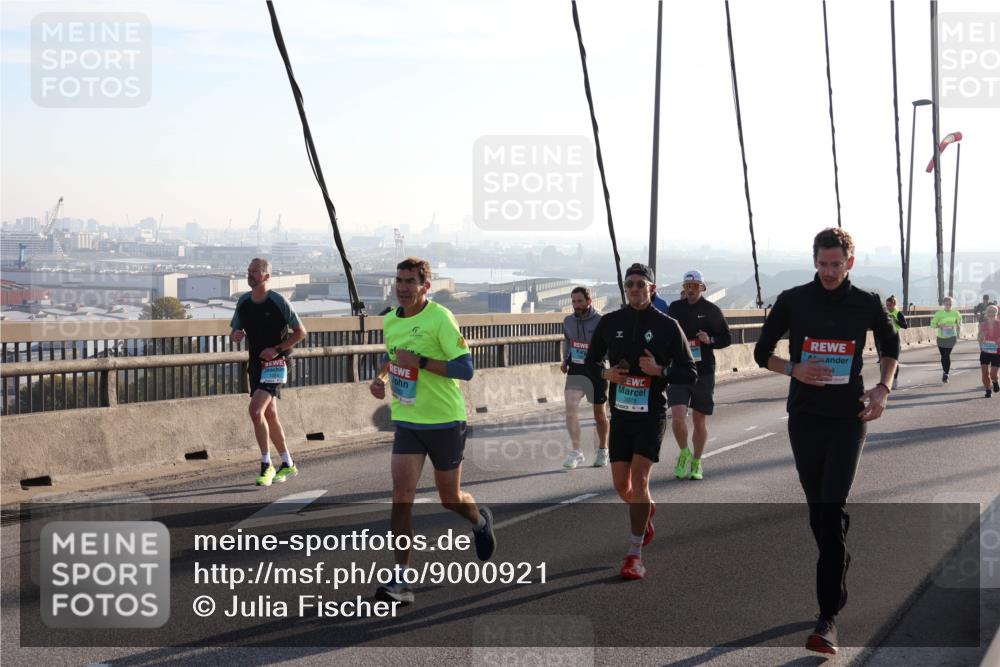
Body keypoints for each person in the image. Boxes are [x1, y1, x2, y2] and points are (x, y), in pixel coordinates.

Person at [753, 228, 899, 656]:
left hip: (848, 419)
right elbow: (761, 352)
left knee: (831, 509)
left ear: (850, 263)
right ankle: (839, 559)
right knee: (820, 513)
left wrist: (883, 389)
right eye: (823, 264)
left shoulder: (867, 302)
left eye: (837, 265)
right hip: (805, 419)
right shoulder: (793, 300)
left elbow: (891, 346)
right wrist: (792, 369)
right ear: (814, 261)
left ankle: (827, 619)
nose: (829, 272)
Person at [369, 257, 495, 605]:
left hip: (444, 421)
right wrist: (380, 379)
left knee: (450, 499)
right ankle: (401, 580)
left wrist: (421, 362)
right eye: (399, 280)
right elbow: (393, 358)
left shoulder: (440, 317)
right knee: (401, 496)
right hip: (408, 421)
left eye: (410, 281)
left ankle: (479, 520)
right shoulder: (391, 320)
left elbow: (466, 368)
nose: (403, 287)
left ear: (425, 286)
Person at [584, 263, 697, 580]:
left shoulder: (667, 325)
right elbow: (589, 362)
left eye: (640, 284)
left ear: (652, 288)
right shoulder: (611, 322)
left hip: (651, 415)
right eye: (629, 284)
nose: (634, 289)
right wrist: (605, 373)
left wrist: (660, 371)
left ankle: (634, 555)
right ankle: (644, 510)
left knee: (640, 480)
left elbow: (690, 372)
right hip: (620, 415)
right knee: (622, 486)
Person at [230, 258, 308, 486]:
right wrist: (235, 335)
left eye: (255, 271)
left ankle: (266, 465)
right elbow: (234, 331)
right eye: (249, 270)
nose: (250, 274)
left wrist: (276, 349)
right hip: (256, 364)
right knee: (270, 414)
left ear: (266, 276)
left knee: (256, 411)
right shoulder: (243, 302)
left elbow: (301, 332)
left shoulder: (278, 301)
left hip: (277, 363)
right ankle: (288, 463)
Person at [666, 270, 731, 480]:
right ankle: (684, 452)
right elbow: (665, 333)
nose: (691, 290)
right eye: (687, 286)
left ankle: (696, 461)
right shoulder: (675, 308)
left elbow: (727, 338)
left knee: (699, 419)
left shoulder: (712, 310)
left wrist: (710, 340)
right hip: (679, 369)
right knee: (677, 417)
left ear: (703, 288)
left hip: (703, 371)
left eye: (695, 286)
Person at [560, 286, 610, 468]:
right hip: (576, 371)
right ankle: (576, 452)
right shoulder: (568, 321)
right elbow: (568, 341)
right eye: (573, 301)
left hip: (596, 372)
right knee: (570, 410)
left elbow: (610, 346)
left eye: (580, 301)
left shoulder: (601, 321)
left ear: (589, 301)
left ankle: (603, 449)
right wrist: (565, 360)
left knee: (599, 415)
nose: (576, 305)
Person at [930, 296, 962, 383]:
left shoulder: (956, 313)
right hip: (941, 338)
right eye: (947, 304)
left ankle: (946, 374)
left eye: (950, 304)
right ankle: (945, 371)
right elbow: (932, 324)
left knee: (946, 355)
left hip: (951, 337)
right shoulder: (939, 313)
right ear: (944, 304)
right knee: (943, 356)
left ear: (952, 304)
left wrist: (958, 328)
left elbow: (959, 323)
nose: (948, 305)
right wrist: (939, 325)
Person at [884, 295, 908, 390]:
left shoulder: (898, 313)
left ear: (894, 304)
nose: (888, 307)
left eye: (890, 305)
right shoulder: (885, 313)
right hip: (885, 339)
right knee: (884, 362)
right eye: (887, 305)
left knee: (894, 361)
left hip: (895, 338)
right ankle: (885, 381)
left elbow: (905, 326)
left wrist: (895, 320)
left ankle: (894, 380)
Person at [978, 304, 1000, 398]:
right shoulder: (983, 325)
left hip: (997, 352)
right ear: (986, 314)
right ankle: (988, 389)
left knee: (993, 374)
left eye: (993, 312)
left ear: (996, 313)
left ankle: (995, 381)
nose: (991, 313)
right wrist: (981, 338)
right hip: (985, 351)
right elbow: (978, 338)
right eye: (989, 312)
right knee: (985, 372)